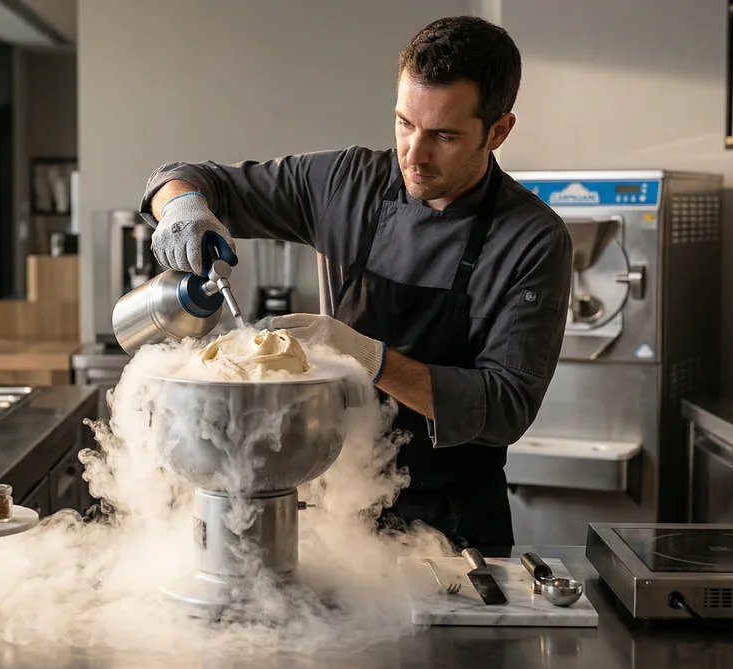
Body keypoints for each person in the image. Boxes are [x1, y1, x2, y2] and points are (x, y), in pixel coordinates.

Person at [137, 16, 572, 553]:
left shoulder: (532, 240)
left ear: (498, 131)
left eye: (444, 136)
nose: (414, 154)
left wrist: (365, 356)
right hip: (335, 511)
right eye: (405, 123)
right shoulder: (347, 184)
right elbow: (188, 177)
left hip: (452, 531)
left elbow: (505, 407)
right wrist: (183, 207)